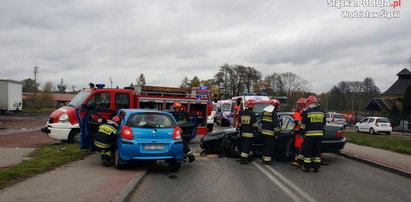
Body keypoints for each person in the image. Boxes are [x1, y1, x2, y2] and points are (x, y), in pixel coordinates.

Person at [300, 95, 326, 172]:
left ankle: (306, 167)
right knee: (317, 152)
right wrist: (322, 133)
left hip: (309, 136)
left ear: (309, 103)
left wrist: (302, 133)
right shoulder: (322, 112)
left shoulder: (307, 112)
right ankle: (316, 167)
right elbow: (324, 125)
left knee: (308, 152)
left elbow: (303, 125)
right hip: (319, 136)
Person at [260, 99, 281, 165]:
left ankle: (264, 159)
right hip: (270, 133)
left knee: (265, 146)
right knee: (269, 147)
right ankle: (267, 160)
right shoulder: (273, 113)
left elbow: (261, 121)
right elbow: (275, 124)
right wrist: (278, 133)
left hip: (264, 132)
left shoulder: (264, 111)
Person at [290, 98, 308, 167]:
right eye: (297, 105)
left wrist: (298, 123)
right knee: (297, 147)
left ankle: (301, 161)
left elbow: (304, 124)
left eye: (299, 105)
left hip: (302, 133)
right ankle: (298, 160)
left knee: (301, 148)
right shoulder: (296, 112)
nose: (297, 106)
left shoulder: (305, 113)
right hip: (297, 133)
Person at [239, 99, 257, 164]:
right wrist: (258, 128)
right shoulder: (252, 113)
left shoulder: (242, 113)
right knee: (247, 146)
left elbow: (240, 124)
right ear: (251, 106)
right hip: (249, 133)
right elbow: (254, 125)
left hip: (243, 133)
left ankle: (249, 157)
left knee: (247, 146)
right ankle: (243, 159)